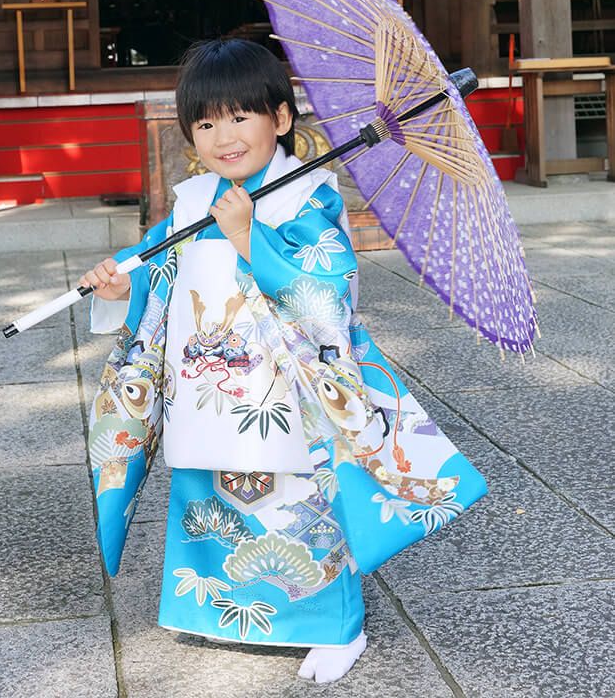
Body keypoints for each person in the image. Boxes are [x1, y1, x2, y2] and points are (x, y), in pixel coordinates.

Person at [81, 39, 487, 684]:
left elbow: (328, 293)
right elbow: (157, 279)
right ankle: (218, 607)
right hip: (210, 380)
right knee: (211, 485)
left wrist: (249, 237)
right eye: (206, 123)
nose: (224, 136)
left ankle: (336, 625)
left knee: (302, 499)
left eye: (242, 116)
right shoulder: (191, 203)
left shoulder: (309, 199)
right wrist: (120, 288)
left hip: (286, 386)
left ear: (282, 118)